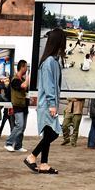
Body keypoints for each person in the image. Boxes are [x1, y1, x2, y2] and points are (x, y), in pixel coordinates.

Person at [26, 28, 65, 175]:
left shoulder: (53, 61)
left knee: (48, 134)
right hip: (47, 105)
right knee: (53, 133)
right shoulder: (49, 62)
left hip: (48, 104)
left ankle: (44, 164)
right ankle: (32, 156)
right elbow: (49, 85)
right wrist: (52, 104)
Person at [4, 59, 29, 153]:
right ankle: (8, 143)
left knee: (23, 127)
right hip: (18, 106)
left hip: (24, 106)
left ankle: (18, 146)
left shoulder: (22, 79)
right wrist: (29, 76)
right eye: (26, 67)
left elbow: (26, 89)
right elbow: (24, 86)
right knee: (19, 125)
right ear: (22, 67)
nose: (26, 69)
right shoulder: (15, 80)